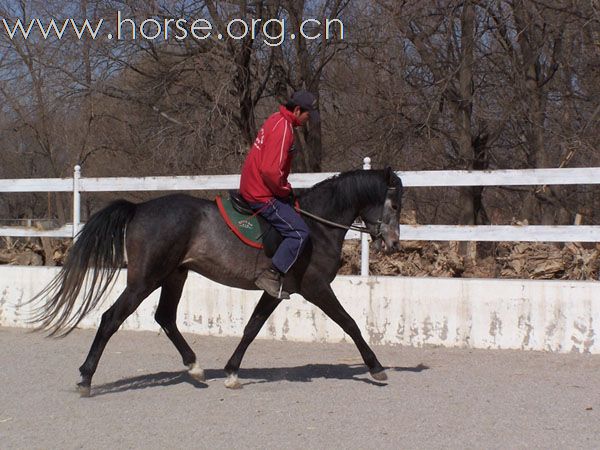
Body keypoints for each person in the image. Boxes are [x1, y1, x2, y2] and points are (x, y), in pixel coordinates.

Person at [239, 90, 319, 299]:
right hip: (261, 193)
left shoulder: (276, 118)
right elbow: (270, 171)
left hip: (252, 185)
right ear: (298, 110)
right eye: (308, 114)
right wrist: (284, 189)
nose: (309, 118)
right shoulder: (284, 130)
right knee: (300, 232)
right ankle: (271, 274)